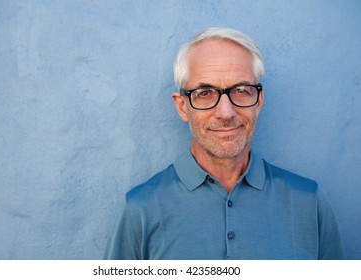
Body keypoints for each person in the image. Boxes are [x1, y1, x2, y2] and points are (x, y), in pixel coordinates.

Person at [104, 27, 346, 259]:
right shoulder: (140, 211)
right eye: (205, 93)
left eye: (241, 90)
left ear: (258, 101)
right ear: (182, 106)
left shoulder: (308, 203)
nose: (226, 112)